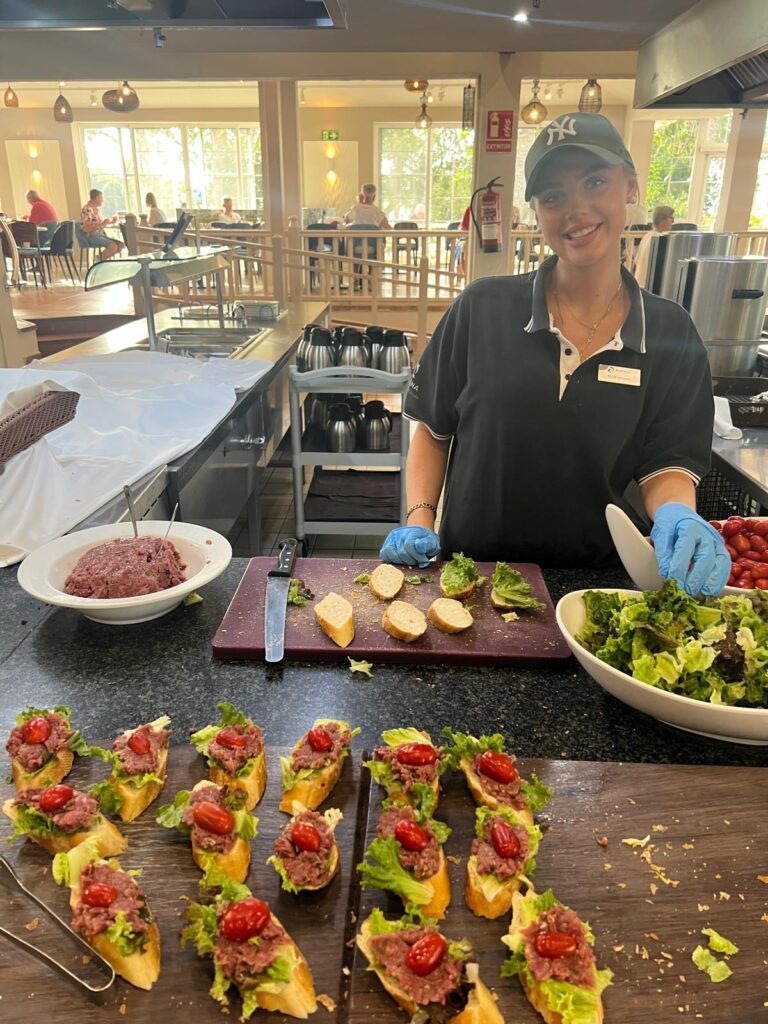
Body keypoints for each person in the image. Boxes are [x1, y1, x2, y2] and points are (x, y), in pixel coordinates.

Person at [380, 112, 729, 598]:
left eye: (594, 181)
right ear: (536, 211)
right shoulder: (482, 308)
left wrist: (678, 512)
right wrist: (421, 518)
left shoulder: (670, 333)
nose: (576, 209)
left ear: (629, 185)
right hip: (471, 576)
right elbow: (434, 430)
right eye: (553, 195)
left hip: (596, 588)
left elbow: (666, 465)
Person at [633, 205, 675, 288]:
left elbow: (635, 262)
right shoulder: (660, 240)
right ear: (662, 220)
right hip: (648, 287)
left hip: (639, 284)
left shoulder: (647, 236)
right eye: (671, 218)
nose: (673, 221)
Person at [80, 189, 125, 261]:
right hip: (91, 236)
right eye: (101, 198)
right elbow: (88, 228)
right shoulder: (87, 209)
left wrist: (111, 222)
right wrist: (102, 224)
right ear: (97, 198)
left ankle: (99, 259)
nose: (103, 200)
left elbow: (100, 223)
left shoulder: (95, 210)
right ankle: (99, 260)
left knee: (121, 245)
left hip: (100, 234)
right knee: (113, 247)